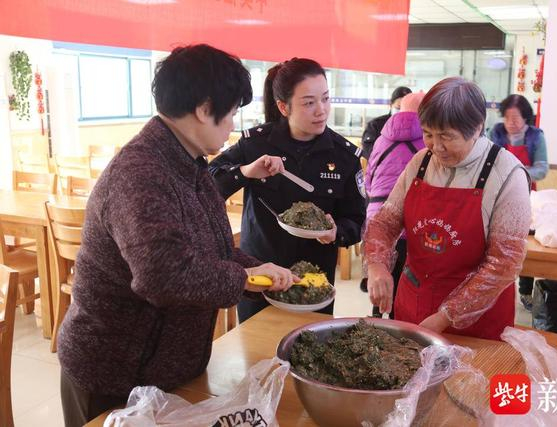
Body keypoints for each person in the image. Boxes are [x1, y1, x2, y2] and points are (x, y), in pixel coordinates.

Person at [57, 44, 296, 427]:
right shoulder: (141, 173)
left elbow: (211, 250)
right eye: (232, 112)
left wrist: (260, 270)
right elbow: (162, 276)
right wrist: (244, 277)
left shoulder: (189, 164)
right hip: (113, 377)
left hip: (162, 373)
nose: (233, 123)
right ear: (204, 109)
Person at [364, 77, 531, 340]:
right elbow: (386, 222)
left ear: (477, 128)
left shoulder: (507, 174)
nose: (436, 147)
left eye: (447, 137)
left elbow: (504, 264)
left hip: (474, 323)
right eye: (428, 134)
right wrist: (377, 264)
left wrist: (446, 316)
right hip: (414, 304)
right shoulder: (421, 162)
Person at [209, 58, 365, 322]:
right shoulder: (255, 145)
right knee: (256, 345)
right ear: (283, 107)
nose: (321, 110)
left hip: (313, 282)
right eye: (309, 103)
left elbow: (357, 220)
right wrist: (245, 171)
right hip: (260, 276)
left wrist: (336, 232)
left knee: (307, 346)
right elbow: (207, 184)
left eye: (326, 99)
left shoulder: (344, 156)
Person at [362, 92, 426, 317]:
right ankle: (397, 324)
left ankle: (376, 321)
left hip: (377, 218)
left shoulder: (382, 138)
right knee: (403, 287)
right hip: (409, 222)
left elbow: (368, 180)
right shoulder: (427, 140)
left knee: (380, 278)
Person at [490, 94, 548, 311]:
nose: (510, 123)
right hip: (498, 194)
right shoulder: (496, 133)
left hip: (526, 194)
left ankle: (525, 290)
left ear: (525, 117)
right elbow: (490, 162)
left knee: (523, 243)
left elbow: (542, 169)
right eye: (507, 118)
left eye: (515, 118)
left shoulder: (536, 136)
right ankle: (495, 286)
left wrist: (515, 173)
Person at [361, 86, 412, 160]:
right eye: (398, 107)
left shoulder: (417, 127)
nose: (401, 111)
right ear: (390, 105)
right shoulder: (375, 125)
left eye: (405, 108)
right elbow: (368, 149)